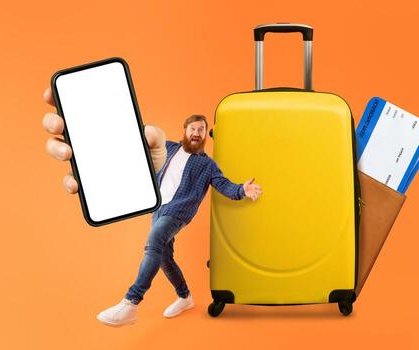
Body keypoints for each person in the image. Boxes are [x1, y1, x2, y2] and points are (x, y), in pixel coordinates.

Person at [42, 88, 262, 327]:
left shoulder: (207, 164)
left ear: (205, 135)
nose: (197, 133)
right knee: (165, 258)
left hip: (178, 213)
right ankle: (185, 296)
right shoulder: (168, 148)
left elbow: (223, 184)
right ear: (185, 130)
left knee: (154, 242)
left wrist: (242, 190)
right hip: (158, 209)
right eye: (193, 128)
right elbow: (139, 152)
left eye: (201, 129)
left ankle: (131, 302)